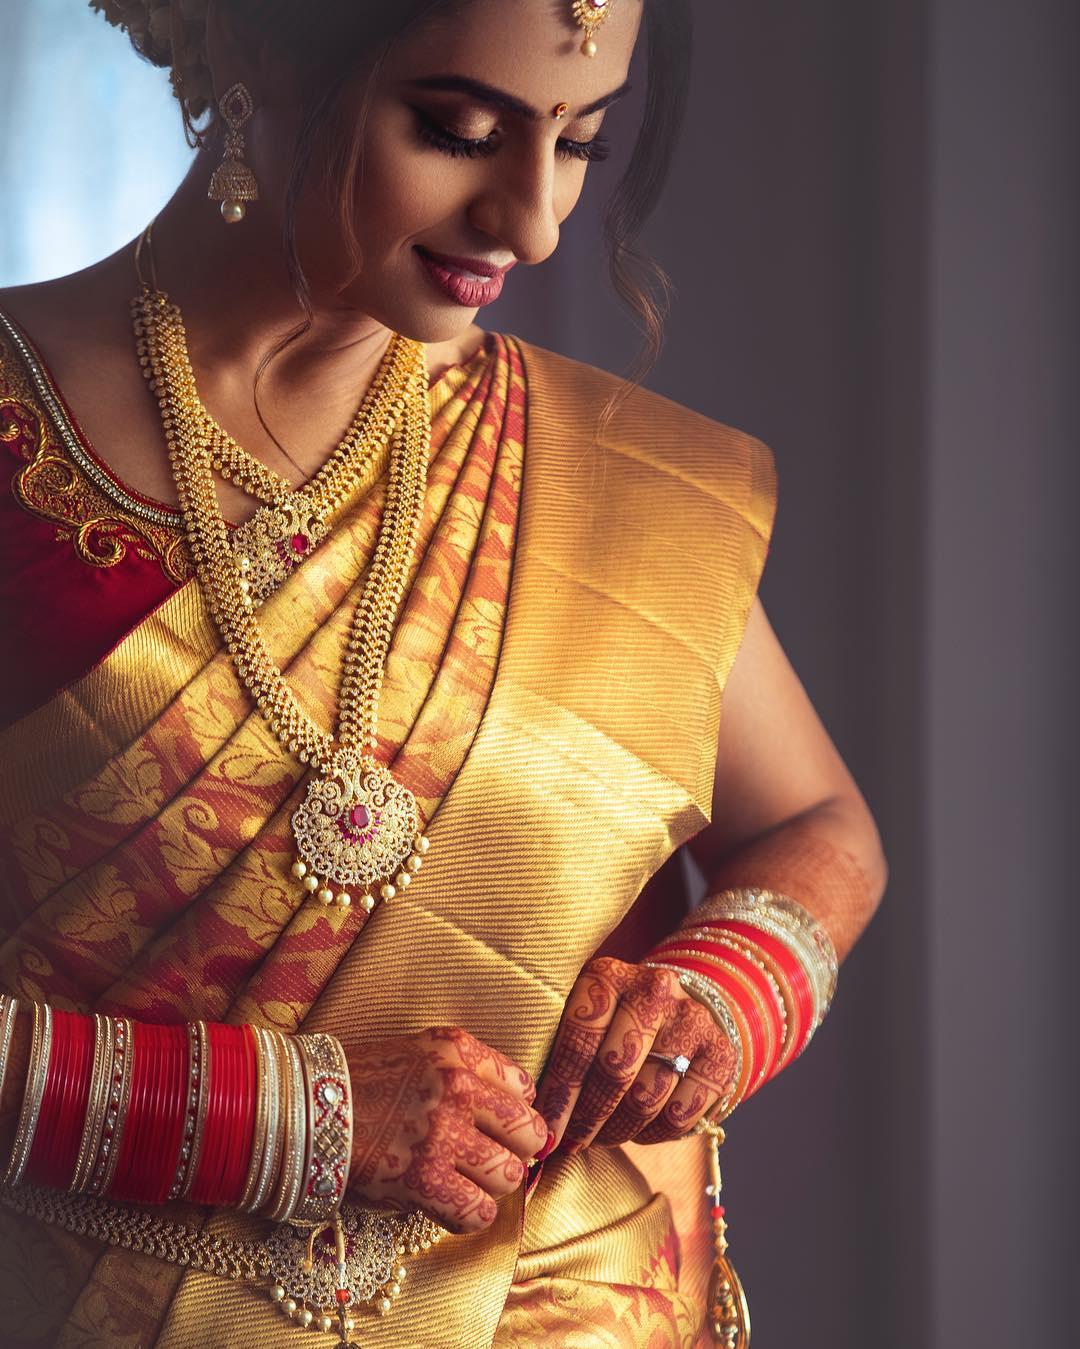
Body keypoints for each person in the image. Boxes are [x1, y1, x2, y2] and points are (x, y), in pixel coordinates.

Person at [0, 1, 888, 1345]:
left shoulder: (601, 477)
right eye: (457, 131)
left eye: (579, 141)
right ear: (252, 54)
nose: (531, 221)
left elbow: (819, 828)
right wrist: (286, 1120)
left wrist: (714, 993)